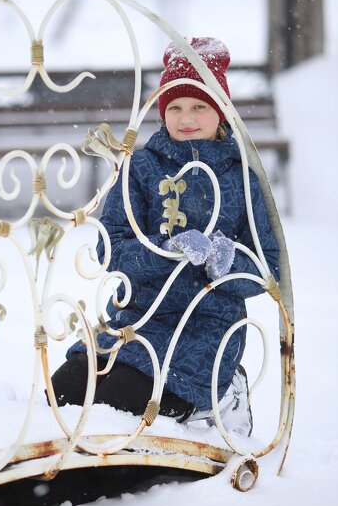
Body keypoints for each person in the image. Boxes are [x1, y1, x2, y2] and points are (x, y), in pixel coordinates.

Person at [49, 37, 280, 435]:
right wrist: (164, 252)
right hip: (137, 316)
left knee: (121, 401)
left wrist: (227, 264)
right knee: (65, 393)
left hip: (205, 326)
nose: (185, 117)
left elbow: (268, 267)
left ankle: (222, 397)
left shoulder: (242, 178)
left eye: (198, 106)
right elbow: (110, 247)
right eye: (174, 107)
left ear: (221, 111)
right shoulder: (141, 167)